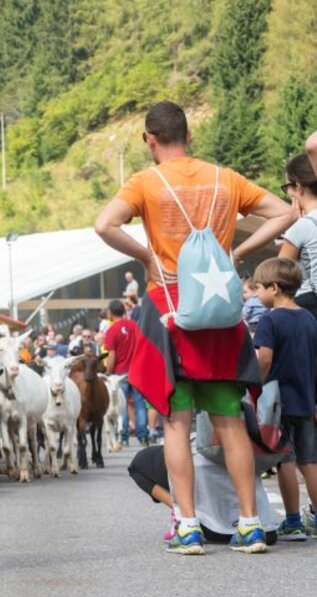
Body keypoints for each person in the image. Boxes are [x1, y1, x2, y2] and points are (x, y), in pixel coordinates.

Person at [94, 100, 295, 555]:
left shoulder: (146, 182)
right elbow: (285, 212)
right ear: (189, 135)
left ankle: (187, 525)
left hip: (170, 308)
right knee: (229, 422)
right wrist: (240, 255)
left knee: (175, 422)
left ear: (149, 139)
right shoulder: (226, 179)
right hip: (222, 313)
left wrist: (146, 256)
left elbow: (104, 224)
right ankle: (249, 524)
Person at [252, 257, 317, 541]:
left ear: (274, 288)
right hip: (306, 400)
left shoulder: (269, 320)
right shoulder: (309, 318)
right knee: (310, 461)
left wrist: (255, 384)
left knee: (286, 461)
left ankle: (292, 521)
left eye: (259, 288)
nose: (256, 293)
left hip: (279, 404)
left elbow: (264, 359)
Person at [128, 441, 279, 546]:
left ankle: (185, 518)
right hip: (266, 529)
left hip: (209, 527)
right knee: (234, 431)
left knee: (145, 458)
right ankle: (250, 522)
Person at [104, 299, 148, 447]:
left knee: (121, 406)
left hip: (119, 374)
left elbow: (112, 355)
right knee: (140, 404)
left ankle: (123, 437)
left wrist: (108, 373)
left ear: (110, 312)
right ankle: (143, 436)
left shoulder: (111, 330)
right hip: (136, 371)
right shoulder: (134, 326)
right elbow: (142, 347)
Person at [279, 152, 317, 319]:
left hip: (310, 309)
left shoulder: (303, 226)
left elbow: (279, 271)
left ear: (299, 187)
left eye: (287, 187)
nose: (288, 193)